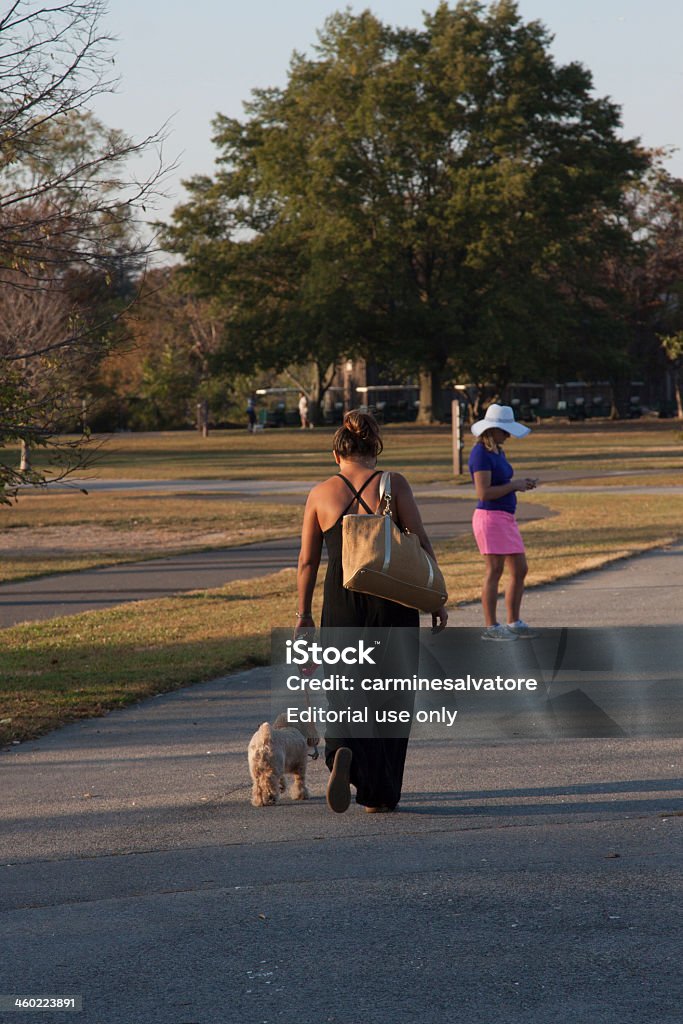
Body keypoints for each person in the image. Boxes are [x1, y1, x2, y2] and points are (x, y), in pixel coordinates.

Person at [296, 410, 448, 814]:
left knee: (346, 688)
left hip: (341, 602)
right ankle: (378, 793)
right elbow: (418, 539)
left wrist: (303, 616)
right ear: (374, 449)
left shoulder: (320, 493)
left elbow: (307, 563)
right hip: (392, 601)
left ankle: (342, 751)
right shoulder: (393, 483)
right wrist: (437, 596)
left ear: (337, 453)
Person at [468, 403, 539, 641]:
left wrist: (520, 483)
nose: (508, 435)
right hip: (489, 518)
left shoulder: (498, 450)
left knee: (520, 569)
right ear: (492, 429)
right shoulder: (480, 454)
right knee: (495, 570)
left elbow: (503, 483)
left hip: (505, 517)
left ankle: (513, 621)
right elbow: (483, 493)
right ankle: (491, 626)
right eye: (504, 430)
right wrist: (514, 485)